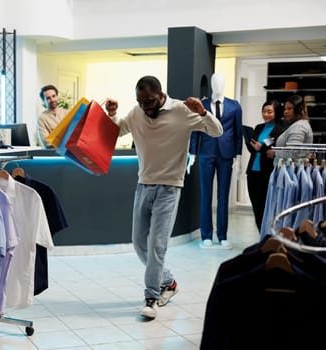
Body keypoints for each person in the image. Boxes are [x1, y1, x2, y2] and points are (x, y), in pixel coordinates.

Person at [104, 75, 223, 319]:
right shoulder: (137, 113)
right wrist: (113, 115)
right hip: (143, 185)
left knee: (157, 245)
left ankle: (151, 297)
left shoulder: (182, 110)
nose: (145, 106)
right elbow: (117, 132)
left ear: (161, 95)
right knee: (139, 243)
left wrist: (203, 113)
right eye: (140, 101)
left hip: (170, 188)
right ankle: (168, 282)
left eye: (149, 100)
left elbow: (217, 131)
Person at [189, 72, 243, 250]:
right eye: (215, 82)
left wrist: (238, 156)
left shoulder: (234, 106)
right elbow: (195, 129)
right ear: (211, 84)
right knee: (206, 195)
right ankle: (206, 235)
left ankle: (222, 235)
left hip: (226, 154)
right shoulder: (201, 105)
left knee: (223, 196)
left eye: (221, 82)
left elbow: (237, 132)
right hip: (206, 152)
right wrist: (193, 154)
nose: (218, 85)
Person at [245, 100, 285, 232]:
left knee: (262, 205)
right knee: (255, 206)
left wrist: (260, 148)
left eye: (269, 112)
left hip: (267, 172)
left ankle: (266, 235)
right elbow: (254, 149)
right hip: (252, 171)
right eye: (264, 111)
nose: (265, 114)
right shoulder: (259, 127)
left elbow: (271, 151)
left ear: (276, 112)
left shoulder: (280, 129)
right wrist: (249, 143)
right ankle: (261, 234)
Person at [267, 94, 313, 159]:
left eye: (289, 109)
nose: (286, 112)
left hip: (291, 167)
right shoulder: (260, 127)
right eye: (285, 109)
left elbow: (293, 152)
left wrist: (274, 152)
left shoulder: (298, 126)